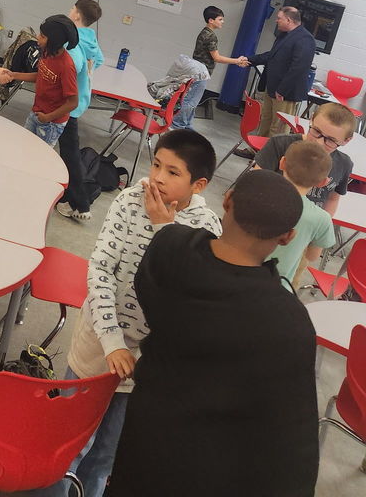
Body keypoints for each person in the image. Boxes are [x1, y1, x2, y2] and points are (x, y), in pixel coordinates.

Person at [106, 170, 319, 497]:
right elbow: (293, 438)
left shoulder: (169, 248)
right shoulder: (288, 321)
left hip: (146, 438)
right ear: (287, 237)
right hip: (213, 469)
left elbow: (154, 277)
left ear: (227, 200)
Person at [39, 131, 221, 497]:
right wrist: (112, 341)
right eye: (156, 165)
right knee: (71, 443)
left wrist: (163, 228)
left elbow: (187, 296)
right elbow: (100, 270)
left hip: (146, 361)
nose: (158, 178)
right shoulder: (129, 200)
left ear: (198, 185)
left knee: (108, 453)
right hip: (99, 342)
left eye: (172, 172)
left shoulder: (207, 229)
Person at [254, 101, 355, 217]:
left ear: (346, 140)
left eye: (331, 140)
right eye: (316, 131)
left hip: (308, 222)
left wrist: (324, 221)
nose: (319, 142)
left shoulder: (344, 164)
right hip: (269, 215)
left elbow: (333, 199)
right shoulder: (279, 144)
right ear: (311, 119)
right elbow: (256, 182)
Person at [55, 0, 104, 220]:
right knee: (68, 150)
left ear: (77, 15)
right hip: (80, 99)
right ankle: (76, 200)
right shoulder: (91, 38)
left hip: (66, 101)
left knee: (70, 154)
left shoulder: (71, 40)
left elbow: (65, 66)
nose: (70, 11)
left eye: (72, 8)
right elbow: (98, 60)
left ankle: (79, 203)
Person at [264, 140, 335, 290]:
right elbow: (312, 256)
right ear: (323, 182)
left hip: (239, 274)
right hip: (278, 288)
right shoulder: (321, 218)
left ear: (282, 163)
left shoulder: (259, 194)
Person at [244, 5, 316, 137]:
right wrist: (249, 60)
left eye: (279, 18)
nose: (276, 21)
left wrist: (282, 90)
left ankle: (272, 150)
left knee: (279, 127)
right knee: (265, 121)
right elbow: (272, 55)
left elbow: (298, 68)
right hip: (272, 88)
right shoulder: (284, 35)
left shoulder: (305, 39)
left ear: (289, 20)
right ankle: (258, 147)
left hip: (284, 93)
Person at [7, 17, 78, 147]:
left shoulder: (66, 66)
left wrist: (48, 117)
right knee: (24, 146)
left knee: (39, 154)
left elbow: (73, 103)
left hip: (51, 123)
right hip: (37, 112)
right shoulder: (46, 52)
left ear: (54, 42)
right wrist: (14, 75)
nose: (38, 38)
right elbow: (41, 75)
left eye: (43, 36)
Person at [172, 5, 246, 129]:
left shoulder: (204, 32)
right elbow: (217, 58)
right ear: (211, 20)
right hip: (201, 72)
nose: (223, 22)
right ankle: (178, 124)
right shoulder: (211, 36)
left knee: (193, 99)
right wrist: (237, 61)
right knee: (191, 100)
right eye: (220, 19)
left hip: (196, 71)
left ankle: (187, 125)